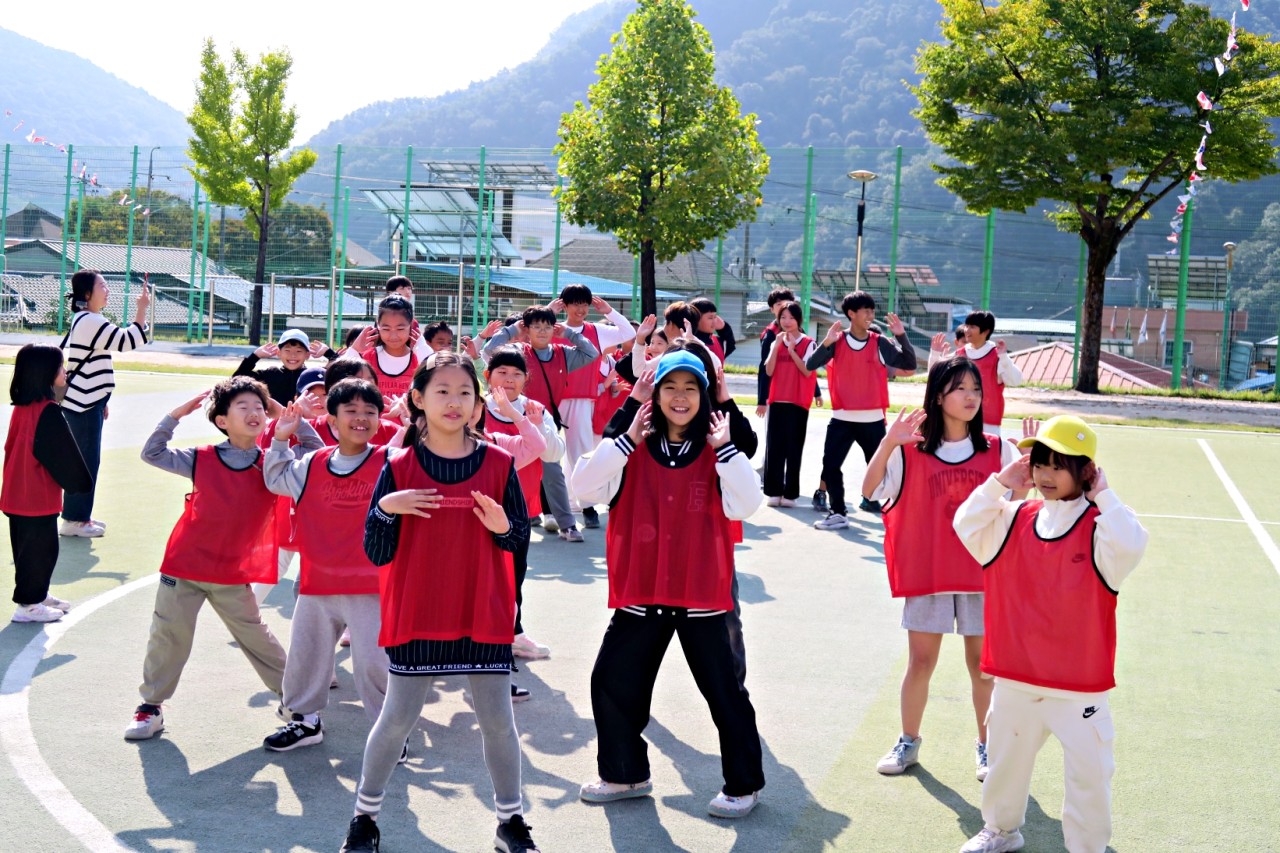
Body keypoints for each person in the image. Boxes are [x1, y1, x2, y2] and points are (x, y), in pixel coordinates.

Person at [338, 351, 536, 853]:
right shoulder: (397, 465)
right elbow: (375, 550)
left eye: (464, 392)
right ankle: (364, 818)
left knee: (498, 723)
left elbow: (518, 544)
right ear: (418, 400)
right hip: (418, 611)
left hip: (482, 612)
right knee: (396, 720)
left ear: (477, 405)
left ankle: (510, 821)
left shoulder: (498, 463)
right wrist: (386, 507)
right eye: (441, 391)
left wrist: (504, 528)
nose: (454, 401)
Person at [572, 351, 765, 818]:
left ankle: (744, 784)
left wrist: (726, 448)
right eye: (670, 387)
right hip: (642, 594)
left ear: (705, 396)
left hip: (701, 596)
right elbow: (584, 487)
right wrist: (625, 436)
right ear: (653, 395)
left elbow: (748, 504)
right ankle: (624, 774)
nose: (680, 397)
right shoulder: (631, 447)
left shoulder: (718, 450)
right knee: (612, 682)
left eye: (690, 388)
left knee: (725, 694)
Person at [953, 415, 1148, 853]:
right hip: (1016, 678)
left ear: (1086, 472)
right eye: (1039, 461)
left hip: (1078, 688)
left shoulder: (1101, 526)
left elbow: (1132, 544)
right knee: (1005, 765)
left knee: (1089, 777)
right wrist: (1000, 481)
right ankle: (1001, 831)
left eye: (1059, 465)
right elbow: (966, 523)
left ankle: (1087, 848)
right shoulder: (1012, 518)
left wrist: (1106, 496)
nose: (1044, 473)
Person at [125, 376, 313, 741]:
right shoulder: (201, 458)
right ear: (222, 421)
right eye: (243, 407)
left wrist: (283, 413)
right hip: (184, 566)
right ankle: (151, 707)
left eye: (259, 407)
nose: (254, 412)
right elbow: (152, 452)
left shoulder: (274, 465)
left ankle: (298, 704)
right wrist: (175, 415)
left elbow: (316, 450)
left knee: (258, 639)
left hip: (232, 573)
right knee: (168, 636)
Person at [862, 359, 1019, 781]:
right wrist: (888, 444)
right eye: (959, 388)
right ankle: (908, 741)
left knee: (983, 666)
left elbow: (1021, 503)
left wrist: (1032, 463)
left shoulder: (997, 448)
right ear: (937, 395)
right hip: (929, 571)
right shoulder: (909, 448)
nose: (971, 397)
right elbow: (870, 490)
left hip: (981, 573)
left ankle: (988, 746)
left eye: (976, 389)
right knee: (921, 661)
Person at [261, 379, 392, 754]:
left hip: (371, 585)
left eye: (370, 412)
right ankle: (304, 720)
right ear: (332, 421)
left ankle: (390, 732)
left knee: (373, 664)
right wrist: (281, 438)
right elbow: (275, 479)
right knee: (306, 655)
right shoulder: (312, 463)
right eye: (350, 411)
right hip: (317, 584)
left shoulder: (390, 463)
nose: (361, 418)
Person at [482, 304, 600, 542]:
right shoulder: (518, 351)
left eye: (547, 326)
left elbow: (591, 353)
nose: (543, 331)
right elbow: (490, 350)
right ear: (527, 330)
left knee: (551, 468)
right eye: (536, 326)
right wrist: (513, 329)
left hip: (540, 418)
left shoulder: (562, 353)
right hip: (509, 415)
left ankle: (567, 523)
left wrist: (569, 333)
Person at [482, 346, 564, 673]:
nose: (510, 379)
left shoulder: (535, 409)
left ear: (526, 379)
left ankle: (514, 633)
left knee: (514, 576)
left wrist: (537, 423)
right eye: (502, 372)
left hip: (520, 509)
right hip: (481, 507)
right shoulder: (476, 409)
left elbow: (554, 454)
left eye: (517, 374)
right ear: (487, 376)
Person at [805, 291, 917, 530]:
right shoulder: (837, 341)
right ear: (851, 314)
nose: (870, 315)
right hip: (842, 417)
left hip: (873, 419)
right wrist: (826, 342)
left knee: (881, 466)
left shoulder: (880, 342)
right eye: (865, 310)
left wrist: (901, 335)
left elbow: (910, 364)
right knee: (831, 465)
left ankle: (891, 509)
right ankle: (838, 512)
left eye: (872, 310)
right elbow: (809, 365)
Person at [2, 345, 92, 623]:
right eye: (61, 366)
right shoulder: (48, 411)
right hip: (34, 495)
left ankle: (37, 594)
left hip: (18, 493)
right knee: (41, 551)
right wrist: (79, 481)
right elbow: (60, 454)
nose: (65, 371)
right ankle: (28, 604)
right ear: (46, 373)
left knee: (31, 550)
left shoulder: (26, 406)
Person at [58, 268, 151, 537]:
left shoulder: (88, 319)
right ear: (87, 294)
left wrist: (102, 398)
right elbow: (127, 341)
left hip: (87, 401)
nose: (107, 290)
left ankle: (79, 517)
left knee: (86, 460)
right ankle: (74, 521)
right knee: (85, 462)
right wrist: (142, 309)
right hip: (84, 404)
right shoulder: (89, 321)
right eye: (102, 286)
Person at [552, 285, 636, 530]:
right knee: (550, 453)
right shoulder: (553, 329)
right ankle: (562, 503)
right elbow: (527, 331)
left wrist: (609, 311)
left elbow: (627, 331)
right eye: (575, 303)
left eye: (585, 303)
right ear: (564, 305)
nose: (581, 308)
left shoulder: (597, 331)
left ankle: (586, 505)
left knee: (579, 450)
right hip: (550, 397)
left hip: (580, 398)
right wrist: (548, 311)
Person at [762, 301, 818, 507]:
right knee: (774, 449)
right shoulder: (775, 341)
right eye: (783, 317)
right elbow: (768, 370)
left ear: (798, 320)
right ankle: (773, 491)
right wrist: (777, 347)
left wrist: (793, 351)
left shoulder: (809, 342)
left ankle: (790, 494)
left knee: (793, 449)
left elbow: (807, 371)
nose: (786, 322)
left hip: (798, 403)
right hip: (777, 400)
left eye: (791, 318)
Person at [931, 312, 1023, 437]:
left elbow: (1016, 380)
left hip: (988, 424)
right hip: (960, 421)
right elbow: (936, 377)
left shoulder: (997, 355)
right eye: (966, 326)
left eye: (972, 327)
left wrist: (1004, 358)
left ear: (986, 331)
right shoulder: (959, 354)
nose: (967, 330)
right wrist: (935, 354)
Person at [234, 328, 336, 406]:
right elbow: (237, 380)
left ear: (307, 355)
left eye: (299, 351)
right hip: (275, 428)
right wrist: (255, 356)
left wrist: (329, 353)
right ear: (278, 353)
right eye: (287, 350)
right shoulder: (271, 374)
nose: (293, 355)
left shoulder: (312, 375)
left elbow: (346, 375)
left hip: (306, 428)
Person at [357, 296, 421, 398]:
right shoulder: (366, 358)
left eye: (400, 329)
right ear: (378, 325)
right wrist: (354, 351)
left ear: (411, 325)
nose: (393, 336)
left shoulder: (420, 358)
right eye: (386, 329)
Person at [689, 296, 736, 363]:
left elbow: (731, 346)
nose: (714, 321)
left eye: (715, 317)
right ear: (696, 318)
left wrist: (725, 327)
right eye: (710, 318)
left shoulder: (716, 340)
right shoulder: (690, 343)